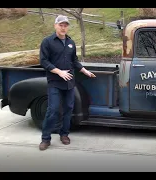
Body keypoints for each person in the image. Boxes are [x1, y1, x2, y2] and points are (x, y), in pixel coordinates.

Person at [38, 15, 95, 151]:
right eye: (61, 25)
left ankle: (64, 134)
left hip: (69, 83)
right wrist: (59, 72)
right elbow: (44, 61)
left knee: (69, 109)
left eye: (65, 25)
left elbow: (74, 60)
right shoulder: (47, 42)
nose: (63, 28)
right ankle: (46, 139)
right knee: (53, 110)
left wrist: (84, 70)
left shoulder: (71, 42)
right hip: (55, 82)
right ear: (55, 26)